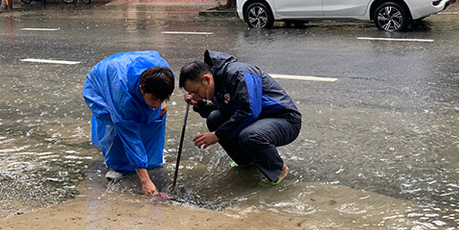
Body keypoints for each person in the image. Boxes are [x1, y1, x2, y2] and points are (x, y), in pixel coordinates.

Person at [179, 50, 302, 185]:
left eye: (195, 92)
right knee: (215, 119)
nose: (195, 95)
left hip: (285, 119)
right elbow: (226, 111)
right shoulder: (218, 82)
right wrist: (200, 105)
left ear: (206, 79)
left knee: (249, 136)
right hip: (260, 119)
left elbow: (249, 111)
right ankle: (247, 162)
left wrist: (217, 135)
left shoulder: (238, 74)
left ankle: (278, 170)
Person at [83, 51, 175, 196]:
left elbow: (158, 97)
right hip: (102, 82)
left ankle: (149, 159)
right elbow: (129, 133)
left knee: (157, 114)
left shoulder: (164, 76)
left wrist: (161, 102)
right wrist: (145, 181)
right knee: (118, 123)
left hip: (130, 71)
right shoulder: (121, 95)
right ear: (141, 89)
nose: (156, 103)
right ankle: (116, 165)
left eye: (161, 98)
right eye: (153, 99)